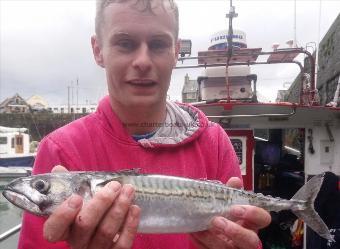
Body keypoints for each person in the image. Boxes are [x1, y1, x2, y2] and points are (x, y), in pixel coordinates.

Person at [18, 0, 271, 248]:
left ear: (176, 51)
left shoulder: (214, 141)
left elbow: (241, 232)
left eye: (158, 44)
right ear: (98, 50)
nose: (143, 61)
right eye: (125, 44)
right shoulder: (60, 149)